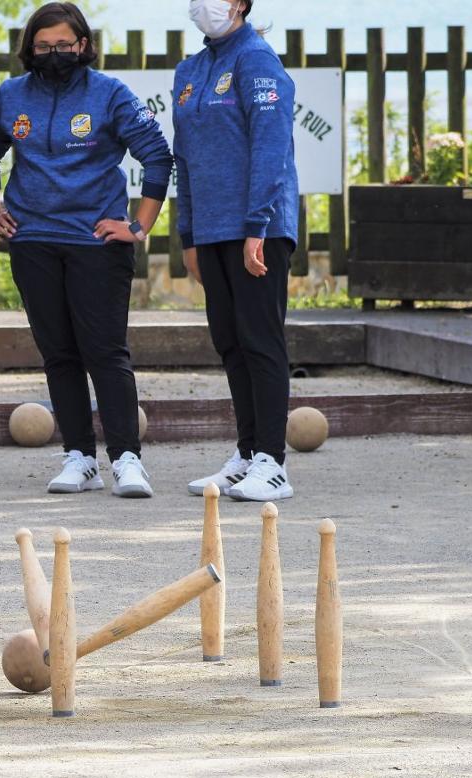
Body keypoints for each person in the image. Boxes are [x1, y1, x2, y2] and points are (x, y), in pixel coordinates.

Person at [0, 1, 173, 498]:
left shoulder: (109, 94)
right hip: (33, 242)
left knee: (105, 352)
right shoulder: (12, 95)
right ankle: (79, 458)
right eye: (42, 47)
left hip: (95, 243)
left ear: (82, 45)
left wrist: (138, 224)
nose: (53, 54)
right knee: (59, 353)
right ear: (30, 50)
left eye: (63, 46)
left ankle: (127, 460)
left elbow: (156, 153)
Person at [176, 0, 299, 501]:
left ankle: (273, 463)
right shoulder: (190, 70)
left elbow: (271, 146)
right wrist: (187, 233)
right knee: (229, 341)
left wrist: (257, 225)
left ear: (241, 4)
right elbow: (184, 155)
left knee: (259, 339)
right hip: (211, 230)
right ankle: (247, 455)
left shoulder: (257, 59)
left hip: (258, 229)